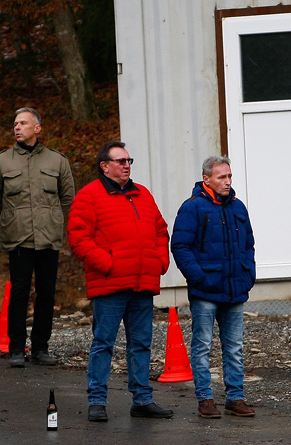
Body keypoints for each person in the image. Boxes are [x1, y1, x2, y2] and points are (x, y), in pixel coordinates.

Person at [68, 141, 173, 421]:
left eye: (129, 160)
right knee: (104, 343)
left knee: (141, 344)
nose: (127, 165)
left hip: (142, 283)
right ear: (105, 166)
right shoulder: (89, 196)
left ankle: (142, 400)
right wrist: (108, 264)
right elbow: (78, 238)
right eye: (121, 161)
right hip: (110, 284)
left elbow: (161, 232)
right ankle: (97, 401)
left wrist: (159, 261)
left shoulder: (143, 195)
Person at [0, 107, 75, 367]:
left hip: (49, 237)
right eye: (15, 123)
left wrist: (54, 219)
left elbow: (67, 197)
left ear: (37, 128)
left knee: (47, 294)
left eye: (23, 123)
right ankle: (16, 349)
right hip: (19, 237)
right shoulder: (1, 162)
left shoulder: (57, 161)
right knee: (19, 292)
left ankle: (40, 349)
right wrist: (14, 217)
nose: (17, 127)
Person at [171, 156, 257, 419]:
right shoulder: (192, 208)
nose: (227, 182)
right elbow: (180, 247)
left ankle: (235, 397)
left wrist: (248, 275)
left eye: (229, 176)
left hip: (234, 289)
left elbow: (248, 246)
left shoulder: (238, 207)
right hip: (206, 291)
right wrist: (199, 278)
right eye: (222, 177)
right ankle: (205, 399)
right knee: (203, 346)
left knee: (234, 347)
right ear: (206, 179)